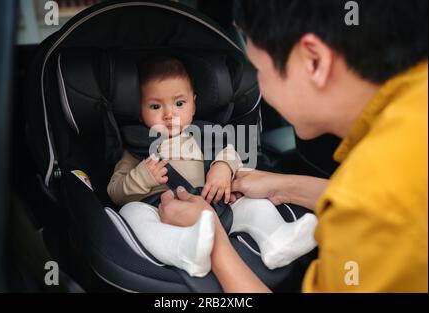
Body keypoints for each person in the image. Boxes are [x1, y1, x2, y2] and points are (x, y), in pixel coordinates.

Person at [157, 0, 428, 292]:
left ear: (314, 61)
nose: (261, 84)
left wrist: (212, 241)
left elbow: (375, 205)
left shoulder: (371, 202)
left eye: (259, 69)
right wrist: (282, 185)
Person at [107, 56, 317, 277]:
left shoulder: (205, 135)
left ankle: (277, 239)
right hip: (162, 212)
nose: (169, 114)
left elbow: (233, 154)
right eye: (155, 106)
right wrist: (142, 177)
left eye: (179, 103)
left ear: (194, 104)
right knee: (132, 213)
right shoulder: (137, 148)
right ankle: (184, 249)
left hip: (215, 204)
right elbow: (115, 192)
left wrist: (222, 167)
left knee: (254, 203)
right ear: (140, 112)